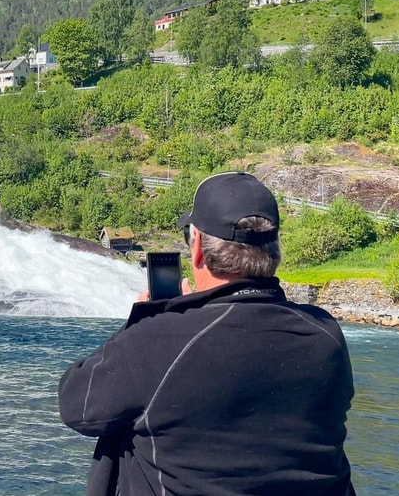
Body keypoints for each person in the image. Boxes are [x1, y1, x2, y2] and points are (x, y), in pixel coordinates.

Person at [58, 172, 356, 495]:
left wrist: (145, 321)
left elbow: (76, 404)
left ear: (197, 246)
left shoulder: (160, 340)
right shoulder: (327, 337)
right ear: (274, 249)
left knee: (118, 427)